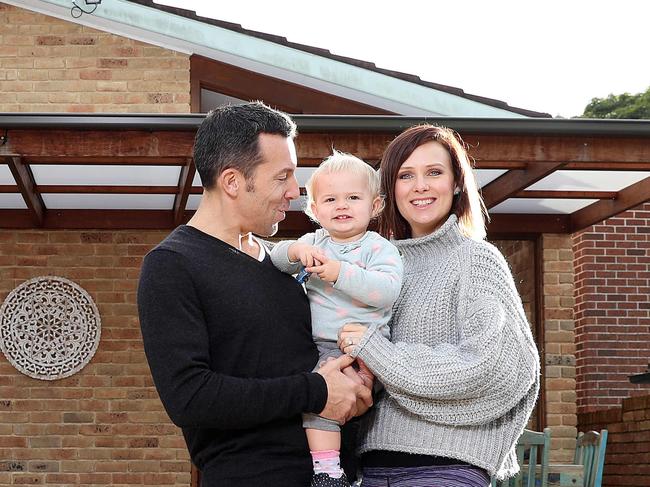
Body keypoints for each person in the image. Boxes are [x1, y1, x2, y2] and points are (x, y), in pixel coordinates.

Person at [137, 102, 373, 487]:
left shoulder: (283, 264)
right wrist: (316, 392)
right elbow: (190, 396)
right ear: (232, 181)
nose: (295, 192)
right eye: (282, 177)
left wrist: (353, 392)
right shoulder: (172, 265)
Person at [338, 124, 540, 487]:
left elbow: (496, 366)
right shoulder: (377, 265)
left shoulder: (475, 260)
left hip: (445, 468)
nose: (420, 186)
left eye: (434, 172)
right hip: (370, 469)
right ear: (389, 190)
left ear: (457, 183)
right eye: (406, 175)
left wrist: (376, 351)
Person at [270, 151, 403, 487]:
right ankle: (330, 470)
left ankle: (332, 470)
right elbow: (275, 259)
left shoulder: (379, 248)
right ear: (314, 210)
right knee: (322, 401)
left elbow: (385, 291)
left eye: (353, 198)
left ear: (374, 206)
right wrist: (296, 252)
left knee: (332, 404)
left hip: (365, 347)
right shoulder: (314, 242)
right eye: (330, 199)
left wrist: (339, 272)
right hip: (320, 345)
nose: (342, 206)